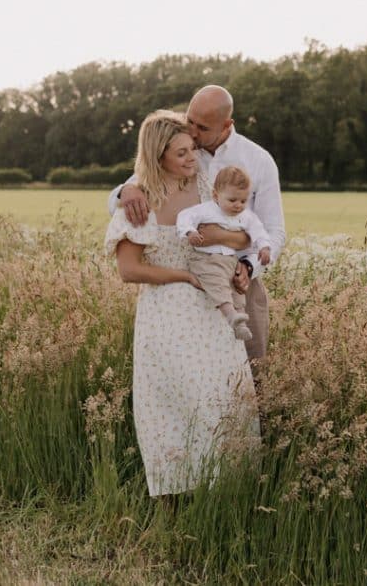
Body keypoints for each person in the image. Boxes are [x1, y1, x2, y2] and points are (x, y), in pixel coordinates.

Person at [104, 109, 259, 496]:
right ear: (159, 157)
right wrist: (186, 276)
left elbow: (244, 236)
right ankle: (172, 502)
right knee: (171, 405)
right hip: (166, 315)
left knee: (221, 400)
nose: (192, 158)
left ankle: (227, 494)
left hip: (213, 314)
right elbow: (129, 269)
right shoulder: (139, 201)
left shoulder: (208, 187)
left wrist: (235, 260)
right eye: (181, 154)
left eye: (192, 149)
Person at [110, 85, 285, 360]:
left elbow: (274, 231)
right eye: (189, 120)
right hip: (189, 289)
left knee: (251, 372)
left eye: (201, 127)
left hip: (241, 282)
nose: (191, 131)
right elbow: (137, 189)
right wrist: (125, 190)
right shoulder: (182, 149)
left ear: (227, 124)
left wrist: (250, 267)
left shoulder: (259, 161)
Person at [176, 165, 272, 342]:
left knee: (237, 289)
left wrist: (264, 247)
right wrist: (190, 232)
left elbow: (259, 232)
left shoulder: (247, 216)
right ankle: (230, 315)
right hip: (206, 259)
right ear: (215, 196)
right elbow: (184, 216)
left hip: (230, 260)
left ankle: (240, 322)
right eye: (232, 200)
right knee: (217, 283)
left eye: (243, 201)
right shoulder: (205, 210)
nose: (238, 205)